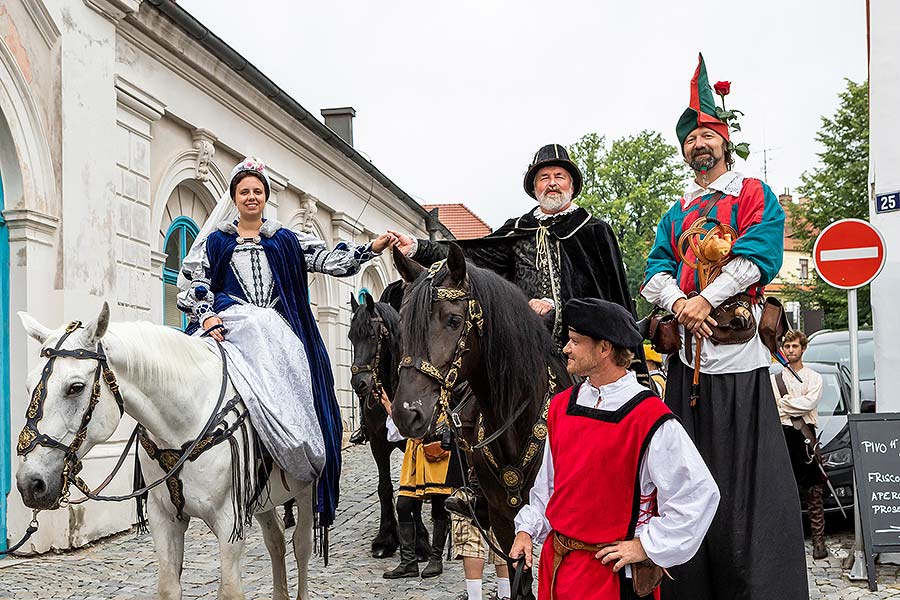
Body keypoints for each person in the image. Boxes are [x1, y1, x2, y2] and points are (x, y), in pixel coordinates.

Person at [641, 54, 808, 598]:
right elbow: (654, 269)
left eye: (707, 136)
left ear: (725, 140)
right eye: (690, 141)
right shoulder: (677, 210)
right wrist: (681, 302)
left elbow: (761, 255)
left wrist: (705, 300)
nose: (698, 147)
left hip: (739, 361)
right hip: (688, 363)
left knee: (746, 489)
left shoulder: (754, 194)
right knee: (689, 480)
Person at [177, 157, 396, 533]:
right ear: (234, 197)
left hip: (278, 328)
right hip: (230, 322)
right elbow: (196, 282)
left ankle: (296, 449)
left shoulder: (284, 240)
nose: (251, 197)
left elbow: (329, 260)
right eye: (244, 191)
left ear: (265, 197)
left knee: (304, 372)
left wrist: (370, 249)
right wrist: (207, 315)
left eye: (257, 191)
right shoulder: (216, 242)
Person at [509, 298, 719, 600]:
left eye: (576, 341)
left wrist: (646, 545)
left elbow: (699, 494)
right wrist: (527, 531)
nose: (567, 349)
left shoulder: (649, 417)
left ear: (604, 349)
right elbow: (549, 488)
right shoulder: (561, 406)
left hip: (615, 578)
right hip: (559, 572)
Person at [382, 390, 455, 580]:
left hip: (436, 448)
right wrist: (392, 410)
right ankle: (408, 563)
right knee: (403, 504)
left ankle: (435, 559)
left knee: (439, 504)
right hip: (414, 452)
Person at [772, 330, 827, 560]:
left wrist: (787, 404)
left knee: (813, 491)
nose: (791, 350)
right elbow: (775, 406)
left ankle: (819, 543)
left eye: (795, 346)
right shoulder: (775, 379)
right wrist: (791, 405)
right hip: (783, 435)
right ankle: (787, 543)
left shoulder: (814, 377)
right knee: (784, 491)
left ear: (803, 348)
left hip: (806, 436)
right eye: (787, 346)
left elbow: (810, 402)